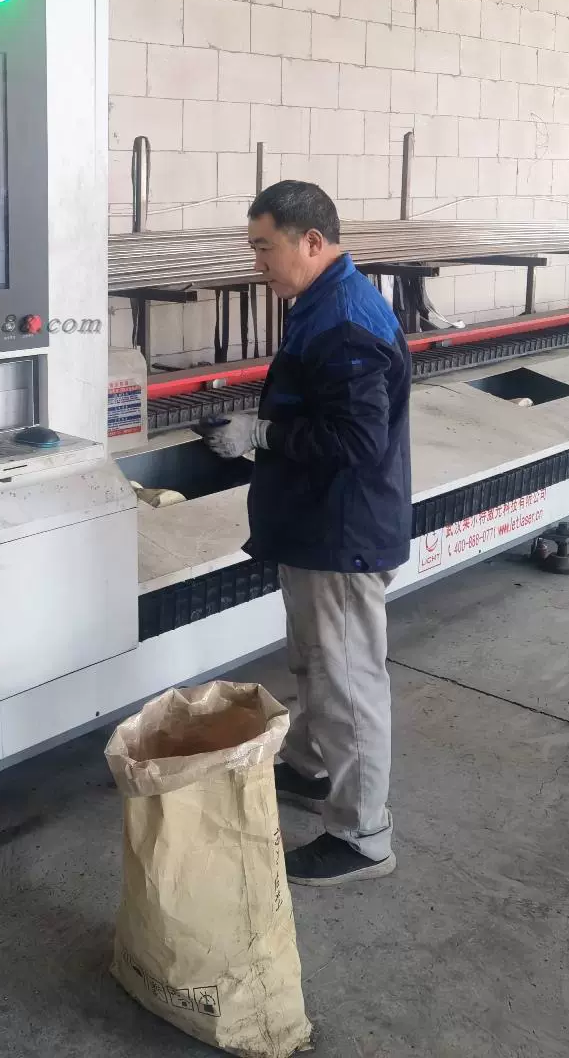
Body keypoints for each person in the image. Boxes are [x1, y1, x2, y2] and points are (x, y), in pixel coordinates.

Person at [197, 181, 412, 886]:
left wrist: (260, 433)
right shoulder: (321, 302)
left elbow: (355, 440)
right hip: (315, 524)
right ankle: (312, 767)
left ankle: (362, 838)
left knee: (347, 682)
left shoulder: (343, 319)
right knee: (315, 662)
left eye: (265, 247)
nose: (257, 262)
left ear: (311, 241)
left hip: (341, 532)